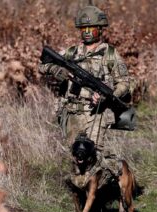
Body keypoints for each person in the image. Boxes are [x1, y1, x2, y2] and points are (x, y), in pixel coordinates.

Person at [39, 5, 135, 152]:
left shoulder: (110, 54)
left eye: (91, 28)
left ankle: (115, 171)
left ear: (100, 28)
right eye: (84, 29)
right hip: (71, 112)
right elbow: (42, 65)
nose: (87, 32)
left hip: (97, 113)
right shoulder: (71, 52)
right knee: (75, 156)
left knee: (92, 156)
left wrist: (108, 95)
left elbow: (124, 82)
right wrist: (56, 69)